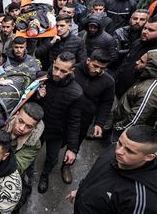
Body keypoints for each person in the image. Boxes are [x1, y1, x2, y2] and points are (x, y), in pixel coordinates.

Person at [67, 125, 157, 214]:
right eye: (120, 143)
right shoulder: (114, 149)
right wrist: (82, 190)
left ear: (149, 157)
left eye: (129, 151)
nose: (118, 151)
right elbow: (97, 174)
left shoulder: (142, 201)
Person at [37, 52, 83, 194]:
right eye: (55, 67)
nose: (57, 73)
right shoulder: (42, 78)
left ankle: (45, 175)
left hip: (56, 132)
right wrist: (39, 96)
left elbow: (74, 121)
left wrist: (72, 148)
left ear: (71, 71)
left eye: (63, 71)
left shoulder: (76, 93)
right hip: (37, 128)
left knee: (52, 158)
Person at [74, 50, 114, 145]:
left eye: (102, 68)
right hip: (64, 114)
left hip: (84, 120)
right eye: (95, 66)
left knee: (74, 146)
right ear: (88, 60)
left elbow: (106, 103)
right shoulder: (74, 70)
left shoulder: (108, 81)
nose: (98, 71)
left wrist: (99, 123)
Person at [113, 50, 157, 136]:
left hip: (123, 133)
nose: (137, 62)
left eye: (142, 62)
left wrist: (116, 127)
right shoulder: (146, 77)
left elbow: (134, 120)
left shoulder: (150, 91)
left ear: (151, 67)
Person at [115, 15, 157, 99]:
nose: (145, 32)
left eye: (151, 30)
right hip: (118, 89)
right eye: (145, 28)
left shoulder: (155, 54)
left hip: (132, 97)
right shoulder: (138, 42)